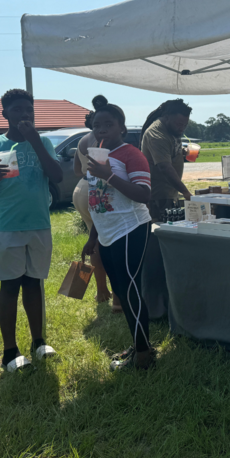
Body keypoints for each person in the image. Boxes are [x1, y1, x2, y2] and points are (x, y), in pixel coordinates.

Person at [0, 88, 64, 372]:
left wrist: (35, 141)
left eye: (29, 110)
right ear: (5, 114)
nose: (25, 115)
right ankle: (9, 351)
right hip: (8, 225)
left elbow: (58, 176)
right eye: (17, 111)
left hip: (39, 222)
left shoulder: (44, 142)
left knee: (34, 283)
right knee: (10, 285)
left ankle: (38, 342)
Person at [79, 97, 156, 371]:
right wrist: (93, 238)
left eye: (108, 124)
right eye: (97, 125)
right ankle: (139, 344)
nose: (101, 130)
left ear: (121, 128)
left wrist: (108, 174)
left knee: (130, 290)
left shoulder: (131, 154)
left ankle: (144, 354)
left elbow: (144, 194)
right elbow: (97, 200)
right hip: (108, 233)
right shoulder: (95, 153)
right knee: (122, 294)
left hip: (130, 228)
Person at [72, 96, 120, 312]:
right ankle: (114, 294)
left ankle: (101, 290)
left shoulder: (83, 140)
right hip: (98, 190)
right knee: (108, 241)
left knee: (95, 240)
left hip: (81, 188)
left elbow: (76, 169)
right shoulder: (103, 140)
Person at [140, 98, 193, 220]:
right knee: (160, 230)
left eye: (185, 125)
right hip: (158, 196)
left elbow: (169, 153)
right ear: (167, 117)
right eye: (179, 124)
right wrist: (185, 192)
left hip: (169, 193)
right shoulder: (157, 135)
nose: (182, 128)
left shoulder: (172, 130)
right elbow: (164, 167)